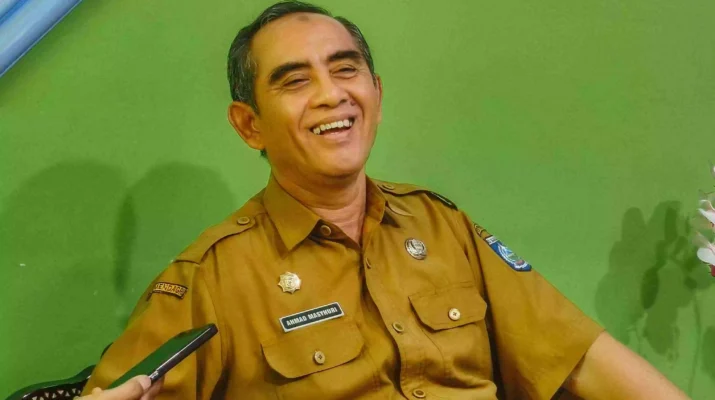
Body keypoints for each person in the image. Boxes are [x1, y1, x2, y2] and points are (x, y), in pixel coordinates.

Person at [81, 1, 689, 399]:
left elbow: (580, 357)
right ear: (250, 125)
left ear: (375, 91)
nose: (331, 95)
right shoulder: (212, 277)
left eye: (345, 70)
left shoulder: (442, 225)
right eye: (295, 80)